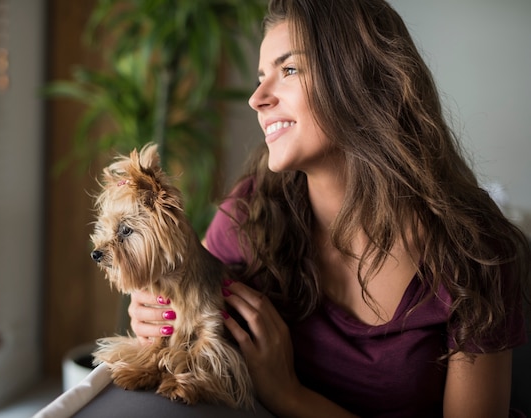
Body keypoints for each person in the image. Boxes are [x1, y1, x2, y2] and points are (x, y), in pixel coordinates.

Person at [128, 0, 531, 417]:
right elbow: (185, 319)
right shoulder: (248, 217)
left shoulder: (474, 247)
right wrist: (152, 315)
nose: (256, 98)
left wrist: (290, 396)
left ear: (361, 77)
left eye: (289, 70)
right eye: (260, 77)